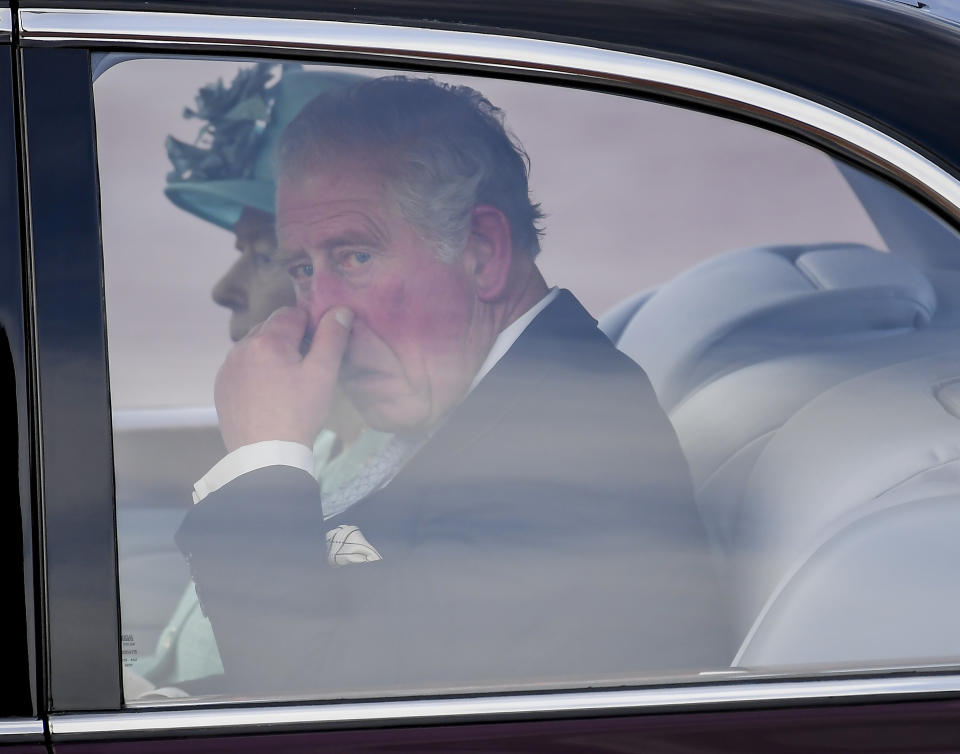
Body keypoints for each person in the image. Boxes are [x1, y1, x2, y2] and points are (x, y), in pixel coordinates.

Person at [176, 76, 730, 698]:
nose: (323, 312)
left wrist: (263, 459)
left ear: (483, 251)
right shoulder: (492, 401)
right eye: (303, 269)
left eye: (355, 257)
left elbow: (317, 711)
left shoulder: (565, 462)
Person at [129, 64, 389, 695]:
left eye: (265, 254)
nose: (225, 290)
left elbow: (302, 694)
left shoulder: (405, 485)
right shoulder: (320, 444)